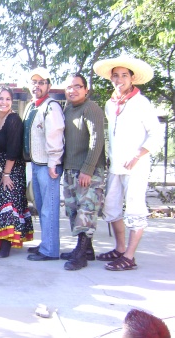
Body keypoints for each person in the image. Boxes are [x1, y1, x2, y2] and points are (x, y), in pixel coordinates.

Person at [93, 56, 162, 271]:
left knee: (134, 209)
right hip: (116, 166)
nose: (120, 79)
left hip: (136, 166)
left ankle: (130, 256)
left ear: (132, 78)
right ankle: (120, 248)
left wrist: (137, 155)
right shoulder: (110, 103)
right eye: (116, 75)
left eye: (124, 75)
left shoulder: (141, 103)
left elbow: (156, 135)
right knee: (112, 208)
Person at [0, 85, 33, 258]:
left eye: (8, 99)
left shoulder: (14, 120)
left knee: (7, 198)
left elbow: (13, 150)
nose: (4, 102)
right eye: (0, 98)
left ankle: (7, 241)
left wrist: (6, 174)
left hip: (12, 167)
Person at [59, 73, 106, 270]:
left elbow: (97, 140)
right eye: (69, 87)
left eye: (78, 86)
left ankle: (81, 254)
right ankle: (87, 249)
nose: (73, 90)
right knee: (73, 210)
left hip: (89, 171)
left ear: (86, 89)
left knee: (86, 210)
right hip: (70, 170)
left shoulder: (91, 108)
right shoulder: (68, 109)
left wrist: (87, 170)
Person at [23, 67, 65, 261]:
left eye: (41, 82)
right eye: (34, 82)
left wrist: (54, 162)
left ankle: (50, 250)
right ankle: (47, 243)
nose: (37, 86)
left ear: (48, 85)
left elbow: (55, 135)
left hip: (48, 165)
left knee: (49, 208)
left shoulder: (51, 106)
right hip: (37, 163)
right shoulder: (33, 106)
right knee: (41, 207)